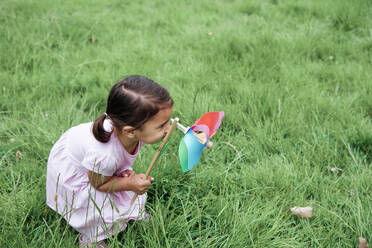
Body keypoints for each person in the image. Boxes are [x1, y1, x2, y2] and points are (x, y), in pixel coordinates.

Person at [46, 75, 174, 247]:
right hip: (78, 171)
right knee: (97, 206)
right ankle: (92, 236)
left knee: (122, 188)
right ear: (130, 131)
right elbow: (98, 184)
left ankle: (130, 211)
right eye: (162, 126)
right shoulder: (104, 154)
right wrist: (129, 183)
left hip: (96, 166)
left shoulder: (130, 130)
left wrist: (124, 177)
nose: (169, 128)